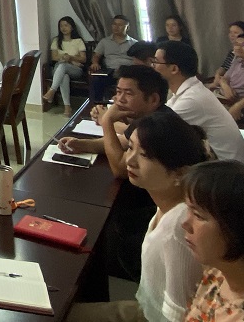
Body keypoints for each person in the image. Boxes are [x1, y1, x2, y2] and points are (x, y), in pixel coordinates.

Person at [67, 109, 209, 322]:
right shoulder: (168, 204)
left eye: (145, 155)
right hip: (145, 308)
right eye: (130, 148)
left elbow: (178, 315)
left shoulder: (179, 227)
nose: (129, 161)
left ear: (179, 173)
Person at [60, 64, 170, 281]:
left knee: (94, 220)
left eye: (128, 93)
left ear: (153, 99)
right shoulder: (149, 119)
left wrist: (107, 121)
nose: (119, 99)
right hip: (148, 202)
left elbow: (121, 168)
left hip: (151, 211)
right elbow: (123, 143)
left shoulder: (158, 127)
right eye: (118, 92)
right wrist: (83, 145)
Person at [182, 161, 244, 321]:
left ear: (239, 229)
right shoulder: (220, 271)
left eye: (198, 215)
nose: (185, 224)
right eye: (188, 209)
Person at [153, 41, 244, 162]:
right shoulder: (189, 90)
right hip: (217, 161)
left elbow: (155, 131)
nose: (152, 66)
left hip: (224, 168)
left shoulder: (192, 100)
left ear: (174, 69)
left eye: (156, 62)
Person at [43, 15, 86, 117]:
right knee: (64, 75)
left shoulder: (78, 41)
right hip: (59, 68)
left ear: (72, 27)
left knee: (63, 66)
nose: (63, 28)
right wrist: (66, 58)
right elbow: (54, 57)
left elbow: (83, 59)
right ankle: (67, 107)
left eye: (66, 25)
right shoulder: (56, 40)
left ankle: (52, 90)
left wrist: (70, 58)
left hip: (76, 69)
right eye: (61, 26)